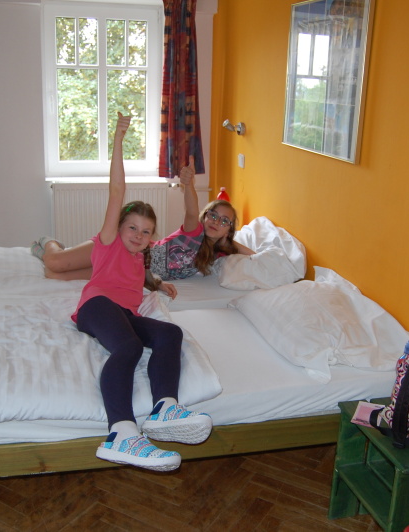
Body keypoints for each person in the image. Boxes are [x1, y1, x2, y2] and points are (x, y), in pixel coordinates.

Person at [73, 112, 212, 471]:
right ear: (118, 228)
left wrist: (157, 284)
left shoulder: (139, 259)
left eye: (146, 231)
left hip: (123, 313)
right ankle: (121, 433)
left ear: (152, 238)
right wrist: (119, 139)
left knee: (170, 333)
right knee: (130, 347)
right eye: (132, 227)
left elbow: (138, 279)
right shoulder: (108, 244)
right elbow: (117, 191)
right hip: (96, 306)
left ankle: (165, 407)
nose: (138, 235)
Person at [31, 161, 254, 285]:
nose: (216, 222)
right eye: (213, 215)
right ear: (205, 217)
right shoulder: (194, 233)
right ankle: (49, 242)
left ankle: (46, 251)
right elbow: (192, 210)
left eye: (224, 221)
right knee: (56, 262)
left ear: (229, 230)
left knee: (55, 276)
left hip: (129, 267)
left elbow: (255, 257)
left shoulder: (220, 253)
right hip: (125, 246)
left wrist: (229, 241)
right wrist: (189, 185)